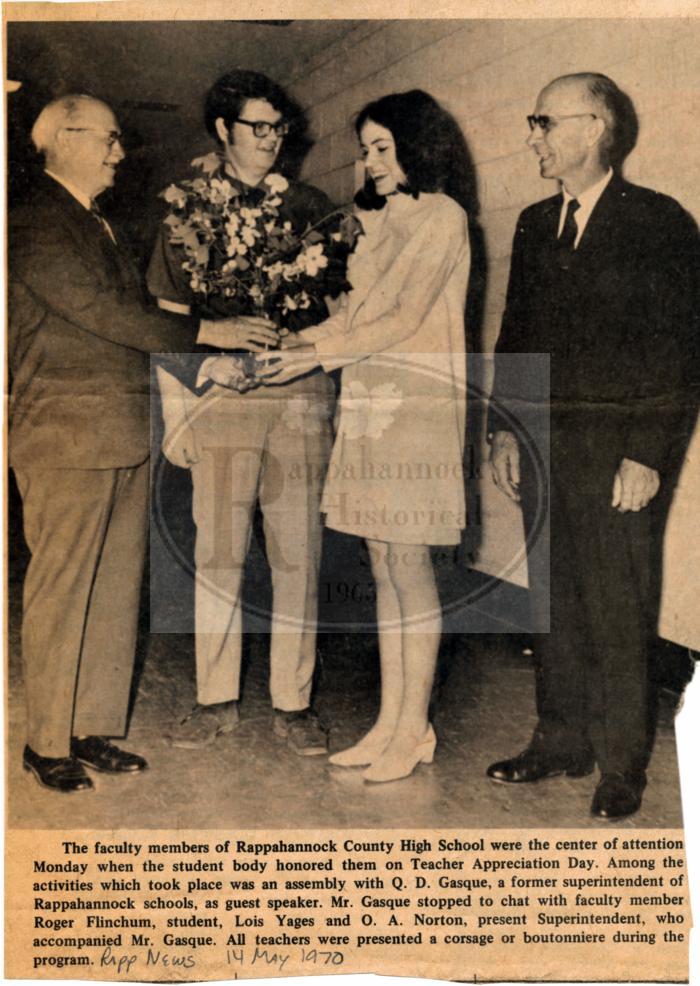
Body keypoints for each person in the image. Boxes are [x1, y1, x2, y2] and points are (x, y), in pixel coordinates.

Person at [7, 94, 233, 792]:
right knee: (63, 588)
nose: (118, 152)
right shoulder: (32, 221)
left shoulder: (98, 222)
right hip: (66, 434)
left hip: (123, 428)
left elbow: (130, 316)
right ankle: (46, 741)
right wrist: (207, 336)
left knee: (114, 591)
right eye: (107, 139)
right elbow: (108, 315)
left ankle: (90, 729)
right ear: (64, 138)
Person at [487, 73, 699, 819]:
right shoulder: (532, 223)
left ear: (593, 126)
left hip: (620, 460)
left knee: (616, 606)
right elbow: (516, 338)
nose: (533, 136)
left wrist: (646, 452)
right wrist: (505, 433)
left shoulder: (658, 222)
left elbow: (677, 351)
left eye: (543, 121)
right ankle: (560, 740)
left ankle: (620, 764)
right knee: (554, 604)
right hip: (546, 449)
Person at [258, 90, 471, 782]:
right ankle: (392, 724)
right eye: (366, 149)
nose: (371, 161)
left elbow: (407, 317)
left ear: (418, 145)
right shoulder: (375, 223)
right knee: (383, 565)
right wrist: (296, 341)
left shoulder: (444, 217)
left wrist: (316, 354)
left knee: (408, 567)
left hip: (419, 410)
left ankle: (414, 729)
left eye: (383, 147)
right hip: (372, 405)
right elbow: (352, 317)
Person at [147, 70, 337, 755]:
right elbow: (165, 320)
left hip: (298, 396)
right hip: (223, 397)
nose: (271, 139)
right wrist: (182, 408)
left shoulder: (313, 206)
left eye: (278, 128)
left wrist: (312, 357)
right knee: (218, 554)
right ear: (223, 131)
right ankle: (214, 699)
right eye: (257, 127)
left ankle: (294, 702)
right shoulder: (185, 209)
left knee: (298, 556)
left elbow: (347, 310)